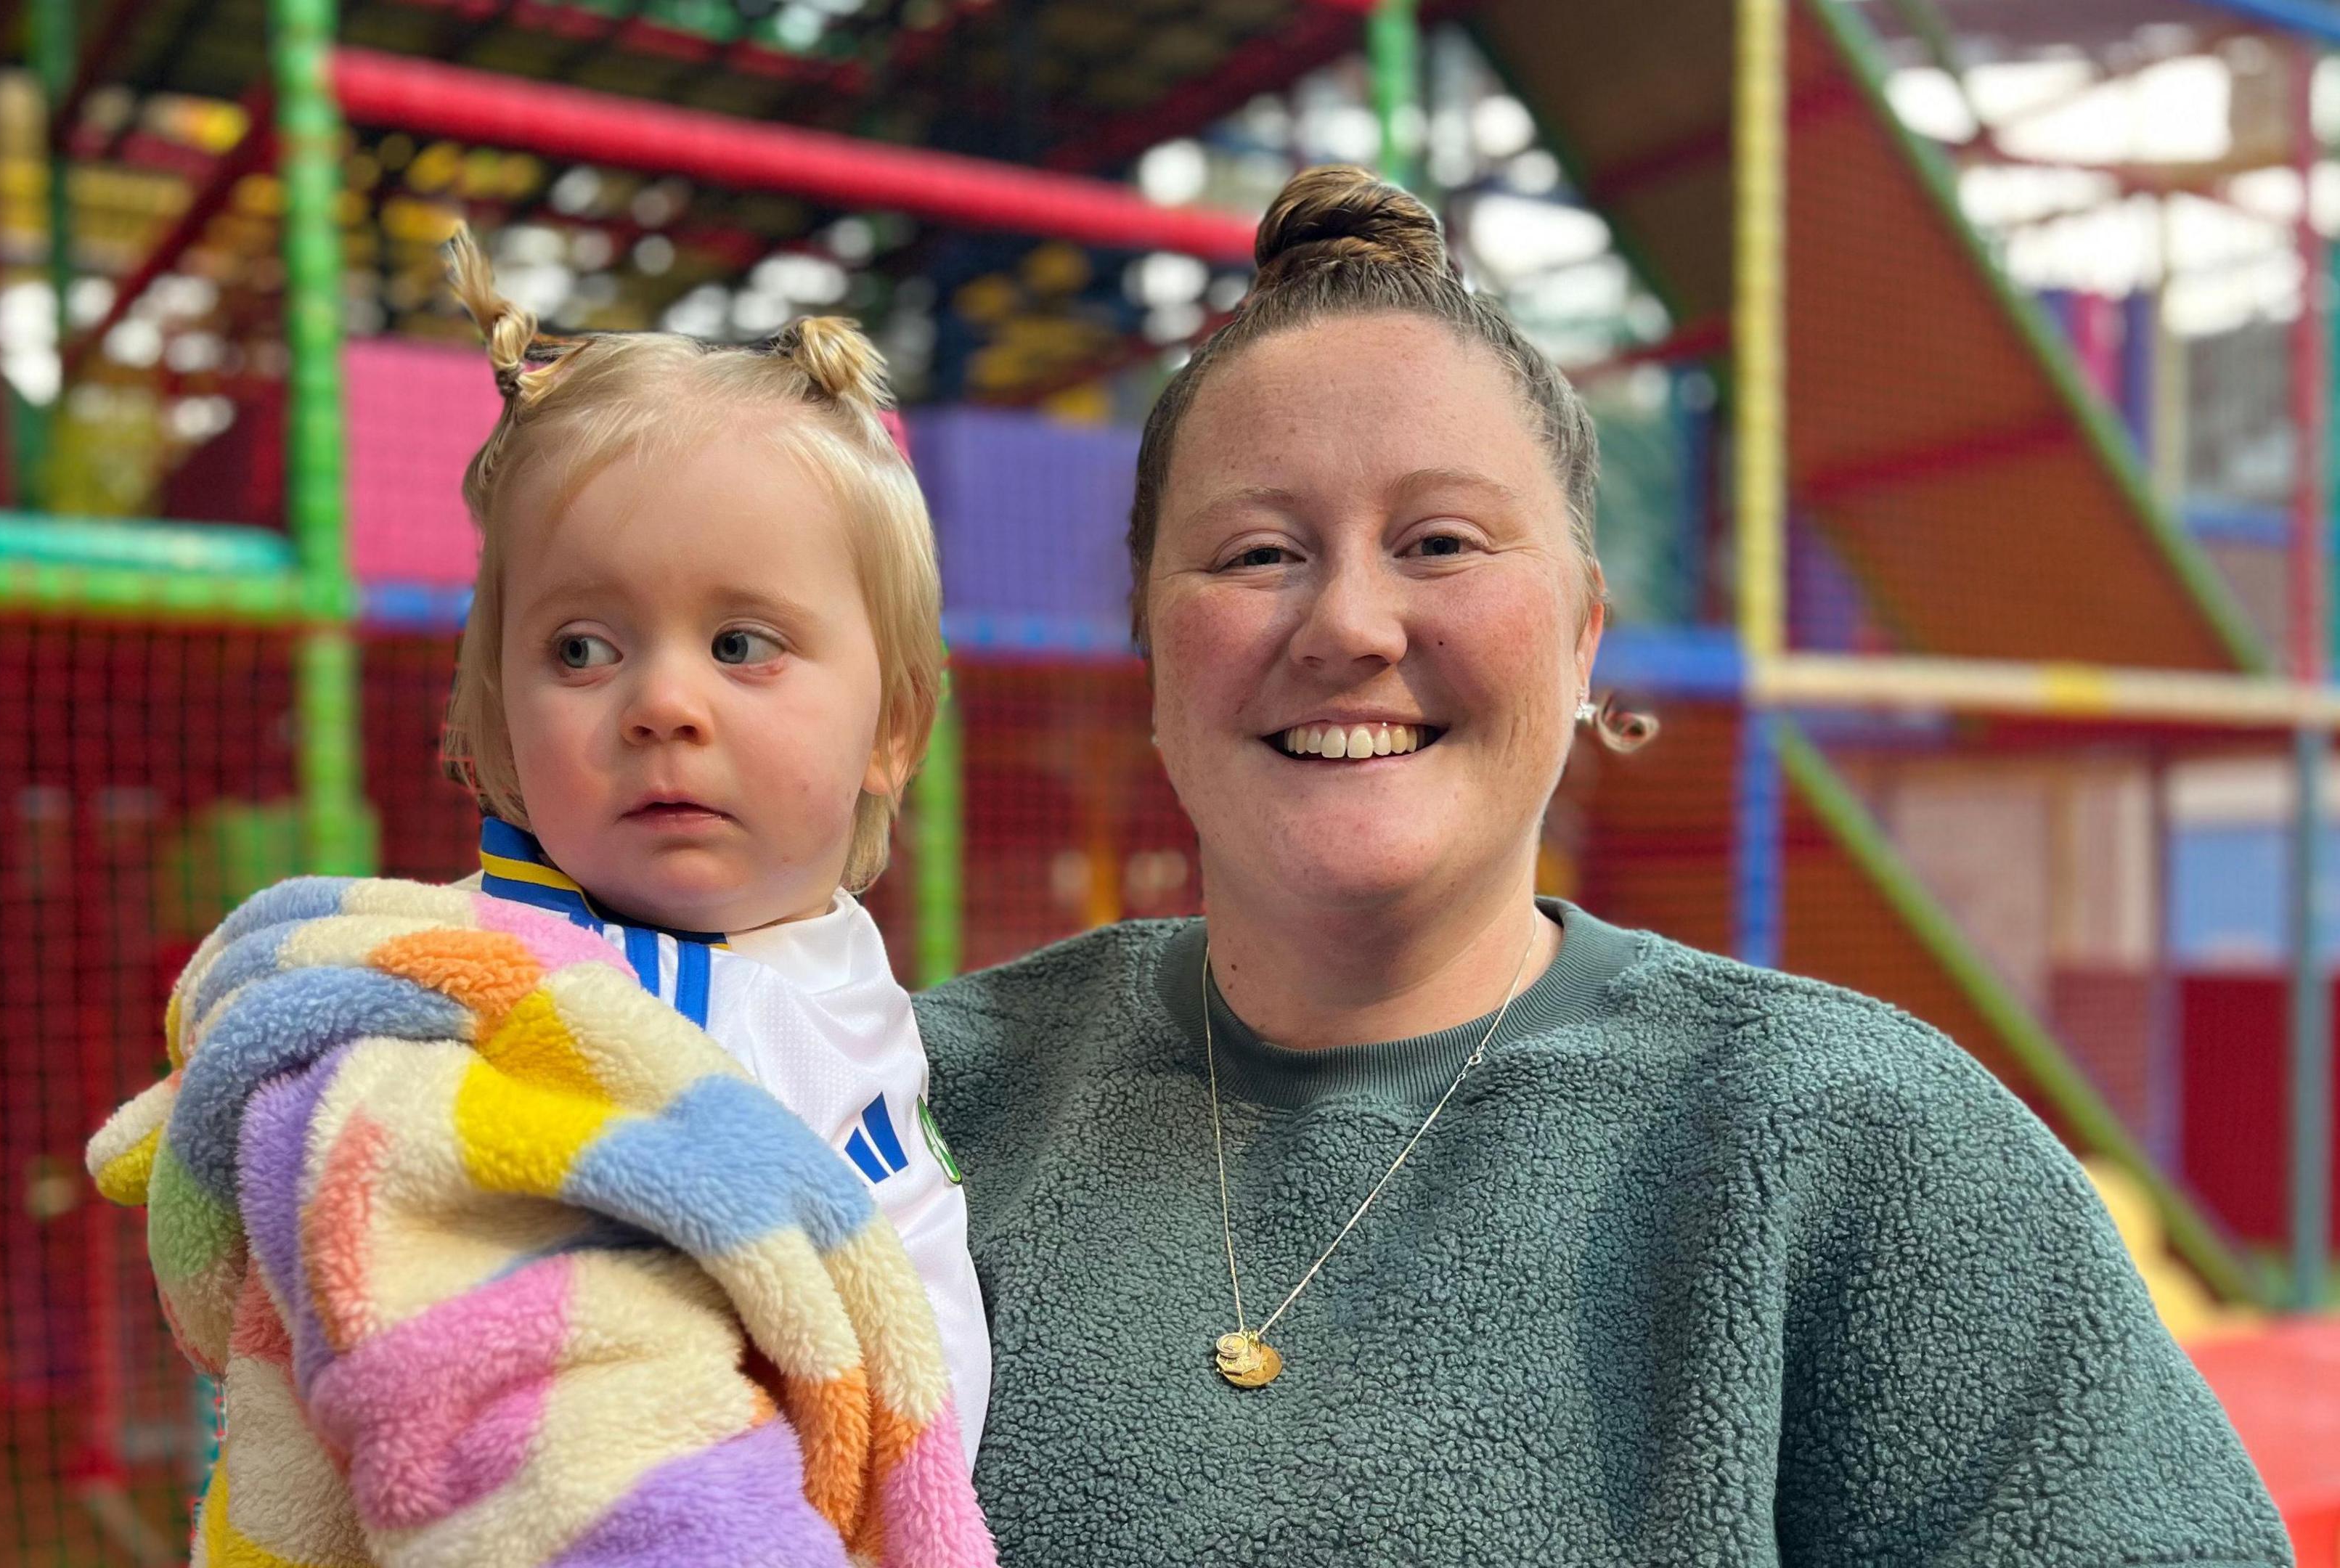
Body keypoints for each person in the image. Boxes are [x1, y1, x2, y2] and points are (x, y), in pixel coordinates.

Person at [914, 166, 2291, 1566]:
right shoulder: (913, 1109)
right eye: (1258, 553)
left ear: (1582, 639)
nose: (1349, 624)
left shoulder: (1863, 1151)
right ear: (1149, 650)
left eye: (1439, 541)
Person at [428, 225, 989, 1460]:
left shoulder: (841, 983)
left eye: (742, 645)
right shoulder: (485, 972)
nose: (662, 705)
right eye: (582, 648)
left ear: (892, 727)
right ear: (501, 725)